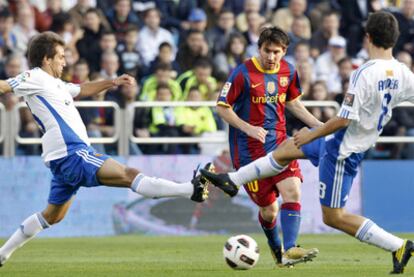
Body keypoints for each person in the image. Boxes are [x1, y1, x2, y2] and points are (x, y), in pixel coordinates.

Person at [201, 11, 414, 274]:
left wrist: (313, 133)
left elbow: (344, 120)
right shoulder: (403, 73)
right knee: (286, 150)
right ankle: (233, 180)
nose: (272, 57)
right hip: (343, 139)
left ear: (367, 36)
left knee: (333, 217)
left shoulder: (365, 73)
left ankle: (397, 246)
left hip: (342, 148)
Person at [0, 31, 212, 267]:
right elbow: (4, 86)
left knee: (52, 216)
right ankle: (190, 189)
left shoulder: (55, 84)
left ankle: (2, 254)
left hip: (63, 157)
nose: (64, 61)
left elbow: (81, 89)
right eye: (60, 56)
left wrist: (112, 82)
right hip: (73, 153)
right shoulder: (34, 76)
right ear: (46, 59)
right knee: (128, 175)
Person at [214, 26, 321, 267]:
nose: (271, 57)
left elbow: (293, 103)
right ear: (259, 48)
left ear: (284, 51)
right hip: (249, 153)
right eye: (266, 51)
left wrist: (321, 126)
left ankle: (291, 248)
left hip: (282, 146)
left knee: (292, 191)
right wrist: (248, 128)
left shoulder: (289, 71)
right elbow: (222, 107)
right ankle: (278, 253)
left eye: (276, 52)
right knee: (269, 211)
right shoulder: (242, 73)